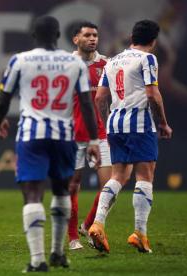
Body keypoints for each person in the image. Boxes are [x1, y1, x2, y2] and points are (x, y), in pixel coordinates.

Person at [0, 15, 101, 272]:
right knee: (62, 190)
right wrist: (95, 138)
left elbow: (4, 96)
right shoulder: (74, 63)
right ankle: (58, 253)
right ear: (58, 36)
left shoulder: (20, 60)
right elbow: (87, 103)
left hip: (32, 134)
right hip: (65, 135)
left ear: (33, 35)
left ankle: (37, 260)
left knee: (32, 194)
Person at [90, 20, 172, 254]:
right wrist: (163, 124)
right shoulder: (147, 59)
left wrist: (108, 122)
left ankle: (97, 224)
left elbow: (99, 98)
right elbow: (153, 95)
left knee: (118, 176)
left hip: (115, 124)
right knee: (144, 175)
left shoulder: (113, 61)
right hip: (139, 124)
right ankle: (140, 233)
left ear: (131, 36)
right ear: (153, 41)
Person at [67, 22, 112, 250]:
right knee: (73, 185)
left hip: (102, 133)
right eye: (87, 35)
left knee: (110, 186)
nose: (92, 38)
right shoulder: (66, 64)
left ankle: (89, 225)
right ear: (76, 39)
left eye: (95, 34)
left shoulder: (107, 64)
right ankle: (73, 237)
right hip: (73, 134)